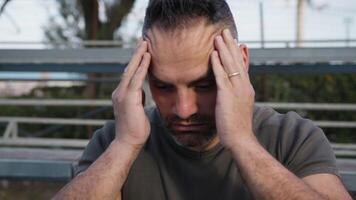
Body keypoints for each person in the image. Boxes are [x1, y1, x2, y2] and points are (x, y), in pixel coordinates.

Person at [54, 0, 351, 199]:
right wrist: (124, 146)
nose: (184, 109)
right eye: (164, 86)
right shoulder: (114, 141)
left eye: (205, 85)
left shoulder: (292, 137)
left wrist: (242, 141)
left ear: (240, 62)